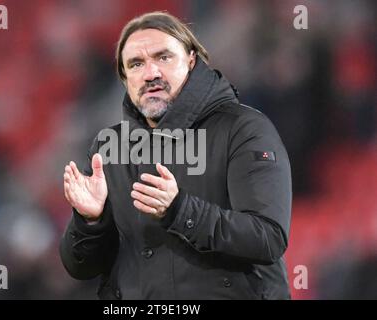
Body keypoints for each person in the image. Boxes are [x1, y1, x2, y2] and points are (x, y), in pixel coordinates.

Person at [60, 11, 292, 300]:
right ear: (124, 78)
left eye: (164, 57)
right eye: (135, 64)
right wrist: (90, 222)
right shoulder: (109, 146)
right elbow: (80, 268)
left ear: (191, 60)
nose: (151, 73)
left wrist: (181, 211)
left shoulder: (244, 129)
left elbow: (268, 238)